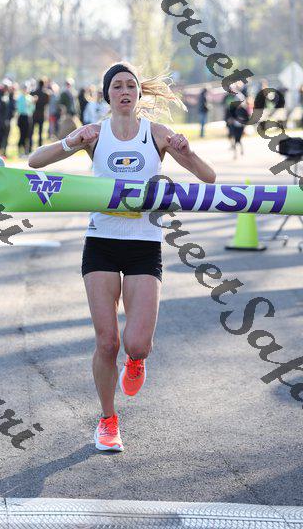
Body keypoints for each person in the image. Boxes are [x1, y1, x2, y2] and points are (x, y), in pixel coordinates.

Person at [29, 61, 216, 452]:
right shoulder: (95, 134)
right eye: (117, 86)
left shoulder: (157, 134)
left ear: (139, 94)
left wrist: (187, 152)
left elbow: (208, 177)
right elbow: (35, 162)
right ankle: (108, 420)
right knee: (107, 342)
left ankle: (137, 361)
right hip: (101, 242)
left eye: (131, 85)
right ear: (107, 95)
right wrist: (71, 142)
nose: (125, 91)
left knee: (137, 344)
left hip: (144, 245)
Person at [17, 83, 35, 156]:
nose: (25, 90)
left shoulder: (30, 98)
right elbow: (19, 109)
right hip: (22, 117)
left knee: (29, 134)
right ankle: (20, 151)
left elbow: (32, 108)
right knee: (22, 134)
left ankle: (27, 151)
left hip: (29, 117)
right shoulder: (20, 98)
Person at [31, 79, 50, 148]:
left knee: (31, 132)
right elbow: (47, 103)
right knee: (40, 132)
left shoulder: (33, 93)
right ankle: (40, 146)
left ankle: (30, 147)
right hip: (41, 114)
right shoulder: (46, 94)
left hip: (34, 114)